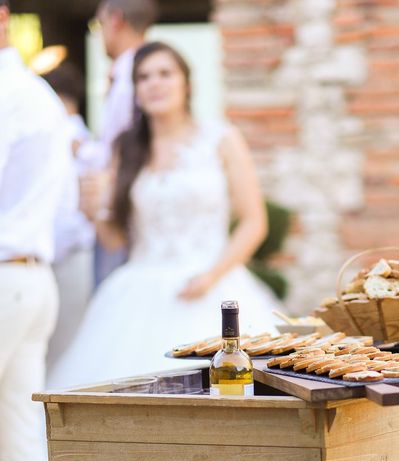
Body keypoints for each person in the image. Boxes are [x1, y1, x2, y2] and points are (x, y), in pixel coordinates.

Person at [48, 42, 282, 388]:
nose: (154, 83)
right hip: (138, 289)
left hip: (213, 284)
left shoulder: (221, 139)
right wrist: (93, 210)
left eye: (164, 74)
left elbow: (254, 221)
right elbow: (116, 240)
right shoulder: (125, 148)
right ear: (135, 91)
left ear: (186, 83)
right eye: (143, 77)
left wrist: (212, 275)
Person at [0, 1, 72, 461]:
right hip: (33, 278)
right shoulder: (36, 92)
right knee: (21, 444)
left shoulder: (8, 92)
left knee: (21, 439)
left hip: (7, 278)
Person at [79, 0, 157, 287]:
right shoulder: (130, 71)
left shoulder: (132, 74)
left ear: (116, 20)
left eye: (97, 25)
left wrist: (79, 149)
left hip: (120, 205)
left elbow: (120, 145)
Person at [43, 64, 95, 368]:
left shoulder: (71, 140)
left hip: (66, 253)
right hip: (75, 254)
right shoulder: (84, 138)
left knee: (61, 347)